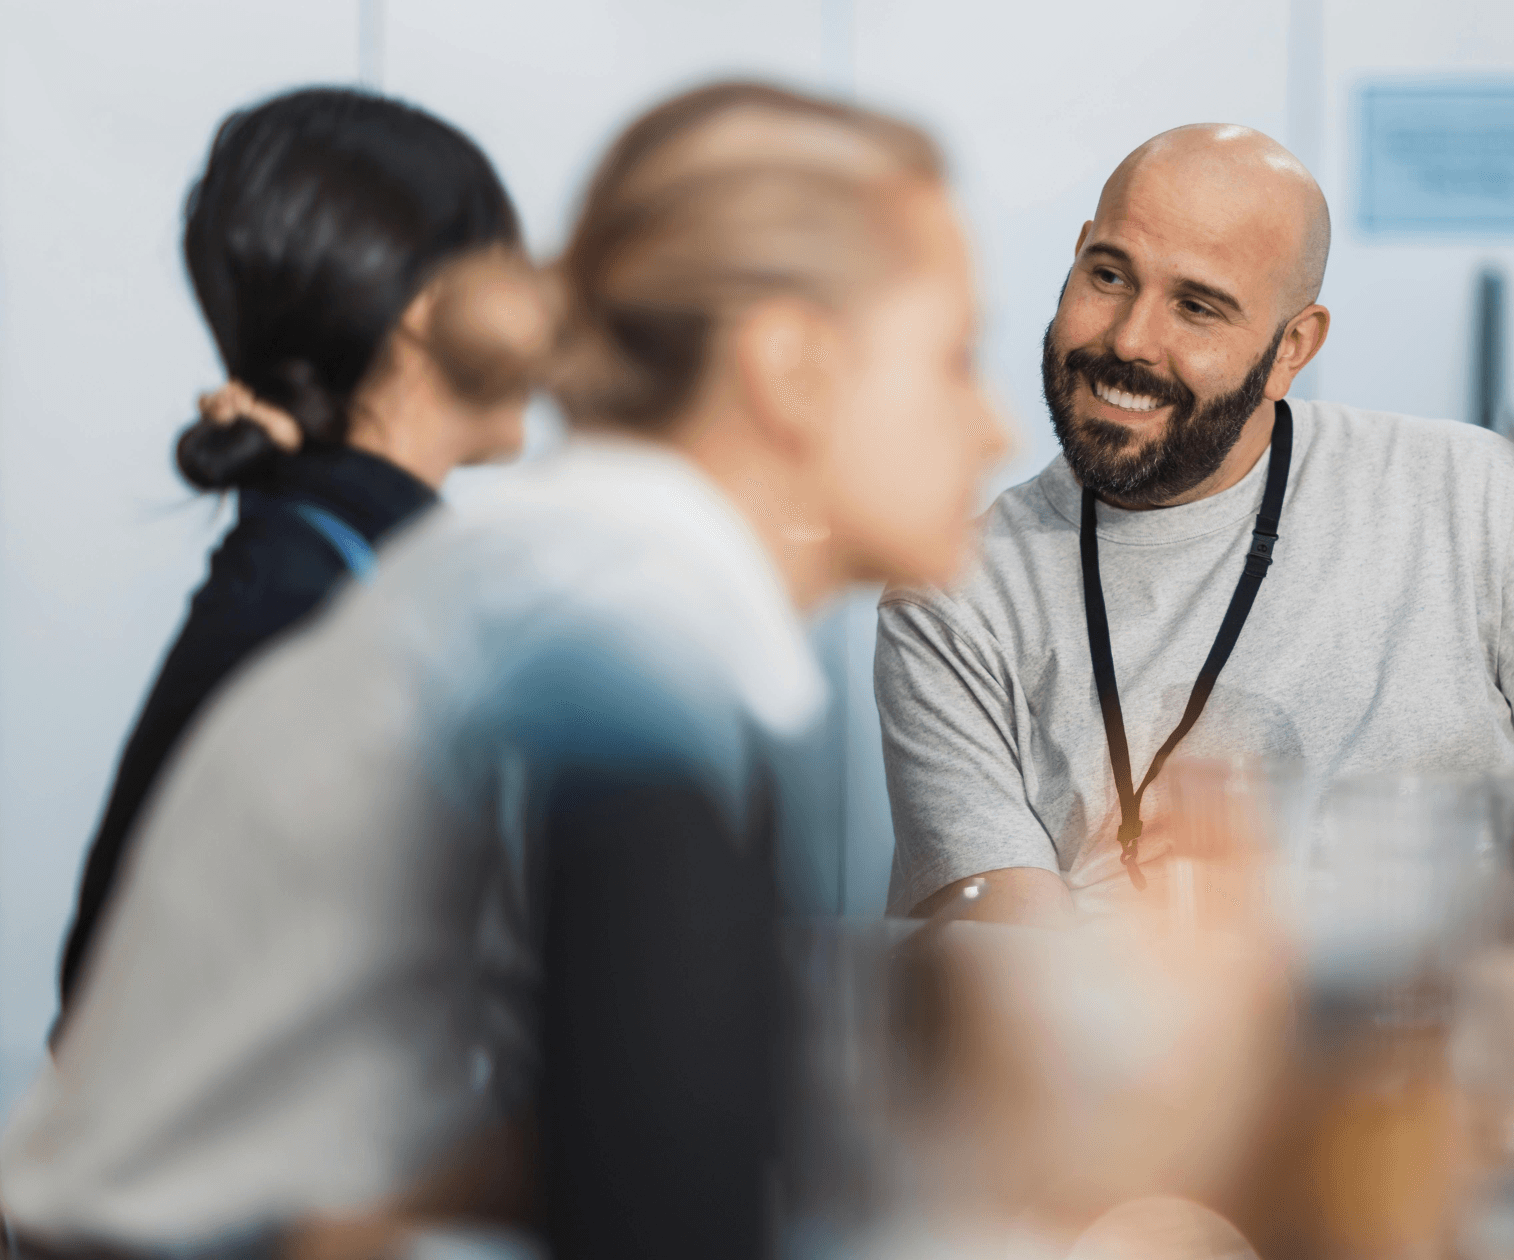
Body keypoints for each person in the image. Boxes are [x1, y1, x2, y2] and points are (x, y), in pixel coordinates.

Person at [0, 82, 1006, 1258]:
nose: (992, 426)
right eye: (952, 358)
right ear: (793, 371)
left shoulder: (584, 577)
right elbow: (666, 1213)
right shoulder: (614, 623)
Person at [877, 124, 1514, 924]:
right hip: (1129, 1043)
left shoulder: (1477, 497)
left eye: (1197, 307)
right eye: (1108, 275)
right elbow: (1005, 956)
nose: (1131, 339)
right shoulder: (953, 591)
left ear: (1289, 350)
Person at [54, 87, 529, 1023]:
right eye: (518, 278)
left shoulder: (340, 570)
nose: (548, 325)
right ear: (431, 312)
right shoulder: (310, 620)